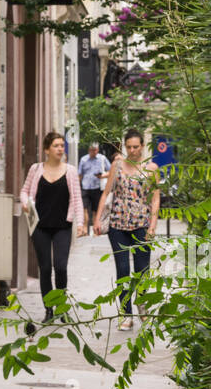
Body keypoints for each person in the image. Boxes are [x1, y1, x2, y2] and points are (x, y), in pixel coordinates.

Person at [94, 127, 160, 331]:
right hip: (118, 224)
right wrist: (97, 219)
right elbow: (106, 193)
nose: (132, 150)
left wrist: (153, 225)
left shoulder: (150, 168)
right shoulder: (117, 165)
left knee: (142, 271)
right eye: (129, 147)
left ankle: (143, 306)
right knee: (122, 270)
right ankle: (126, 313)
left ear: (142, 146)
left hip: (141, 224)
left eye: (136, 147)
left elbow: (155, 198)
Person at [20, 131, 85, 322]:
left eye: (62, 145)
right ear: (47, 149)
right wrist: (25, 203)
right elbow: (24, 191)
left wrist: (80, 223)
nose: (60, 149)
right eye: (56, 146)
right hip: (39, 225)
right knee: (46, 268)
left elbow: (77, 199)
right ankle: (48, 310)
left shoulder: (71, 171)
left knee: (61, 266)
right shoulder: (36, 169)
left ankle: (62, 308)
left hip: (63, 226)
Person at [77, 141, 110, 231]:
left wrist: (103, 175)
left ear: (98, 150)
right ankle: (84, 229)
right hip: (85, 187)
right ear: (89, 150)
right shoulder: (83, 159)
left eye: (95, 150)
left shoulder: (102, 158)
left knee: (95, 210)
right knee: (84, 209)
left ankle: (96, 229)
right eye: (92, 150)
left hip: (97, 187)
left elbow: (111, 171)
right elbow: (80, 174)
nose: (94, 152)